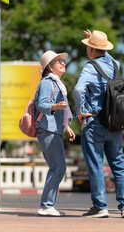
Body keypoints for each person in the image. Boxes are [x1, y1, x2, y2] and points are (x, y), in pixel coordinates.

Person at [74, 30, 124, 218]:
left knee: (95, 165)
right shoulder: (115, 64)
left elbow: (78, 89)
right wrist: (99, 42)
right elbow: (106, 55)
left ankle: (101, 206)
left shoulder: (90, 68)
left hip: (95, 123)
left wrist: (80, 111)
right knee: (118, 164)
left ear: (90, 48)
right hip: (114, 123)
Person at [35, 50, 76, 216]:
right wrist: (55, 107)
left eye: (62, 61)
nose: (63, 63)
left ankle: (47, 205)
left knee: (57, 166)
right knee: (58, 166)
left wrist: (66, 126)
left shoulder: (57, 83)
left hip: (54, 128)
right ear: (50, 67)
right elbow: (41, 105)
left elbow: (60, 109)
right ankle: (46, 205)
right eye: (58, 61)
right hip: (47, 128)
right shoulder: (47, 82)